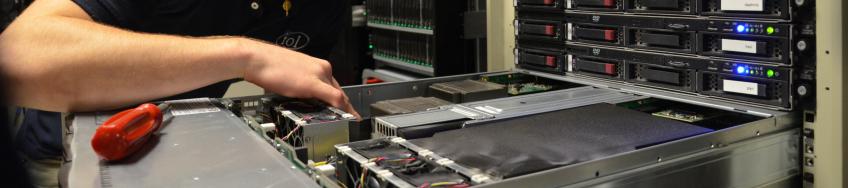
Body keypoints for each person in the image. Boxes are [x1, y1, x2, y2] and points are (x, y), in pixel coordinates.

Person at [0, 0, 359, 187]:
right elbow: (19, 59)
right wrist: (245, 55)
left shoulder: (323, 6)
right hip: (71, 157)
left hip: (178, 150)